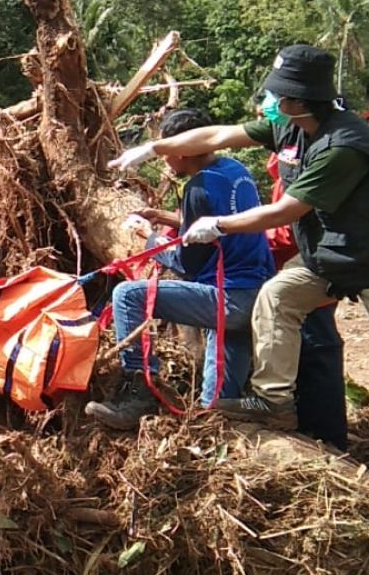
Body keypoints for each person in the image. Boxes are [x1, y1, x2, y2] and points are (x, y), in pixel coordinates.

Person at [110, 44, 369, 491]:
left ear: (297, 100)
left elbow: (285, 211)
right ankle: (272, 401)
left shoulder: (342, 146)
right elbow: (215, 136)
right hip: (334, 261)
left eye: (278, 95)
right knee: (276, 297)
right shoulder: (290, 127)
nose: (271, 101)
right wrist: (153, 146)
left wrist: (217, 225)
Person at [85, 109, 276, 429]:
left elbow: (186, 263)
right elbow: (218, 224)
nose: (164, 159)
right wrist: (167, 217)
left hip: (227, 300)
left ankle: (138, 393)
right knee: (217, 407)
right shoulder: (235, 170)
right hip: (257, 294)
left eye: (167, 149)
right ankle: (262, 408)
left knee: (126, 295)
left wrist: (148, 237)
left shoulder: (198, 188)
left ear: (184, 149)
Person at [264, 155, 347, 449]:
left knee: (316, 351)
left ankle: (327, 440)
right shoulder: (286, 166)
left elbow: (287, 232)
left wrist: (251, 236)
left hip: (306, 275)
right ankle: (321, 434)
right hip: (307, 272)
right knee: (314, 350)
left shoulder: (298, 164)